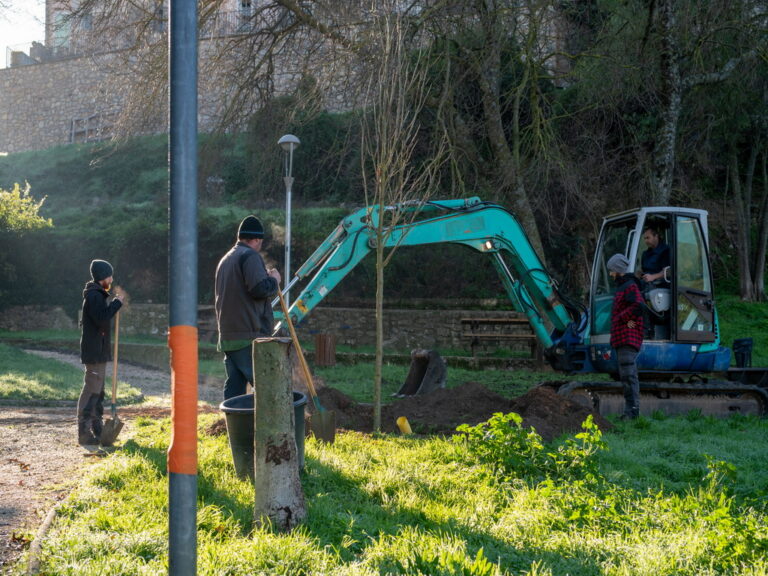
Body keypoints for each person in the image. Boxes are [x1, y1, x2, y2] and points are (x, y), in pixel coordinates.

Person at [215, 215, 281, 400]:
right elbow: (259, 289)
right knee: (265, 386)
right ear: (257, 239)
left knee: (234, 388)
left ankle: (233, 426)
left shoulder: (227, 259)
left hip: (228, 335)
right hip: (248, 335)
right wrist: (274, 280)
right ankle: (269, 428)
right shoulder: (250, 256)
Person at [79, 259, 123, 446]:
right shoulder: (94, 296)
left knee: (98, 392)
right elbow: (101, 318)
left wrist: (113, 303)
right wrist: (116, 304)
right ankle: (84, 432)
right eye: (109, 275)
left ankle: (97, 429)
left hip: (99, 351)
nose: (111, 279)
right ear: (103, 277)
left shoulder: (99, 294)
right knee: (91, 391)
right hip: (94, 352)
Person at [607, 253, 645, 419]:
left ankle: (633, 411)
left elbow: (638, 306)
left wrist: (622, 319)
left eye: (612, 271)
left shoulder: (629, 286)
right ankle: (630, 411)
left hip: (627, 337)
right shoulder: (624, 286)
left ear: (618, 270)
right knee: (625, 375)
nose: (610, 274)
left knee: (629, 374)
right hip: (622, 336)